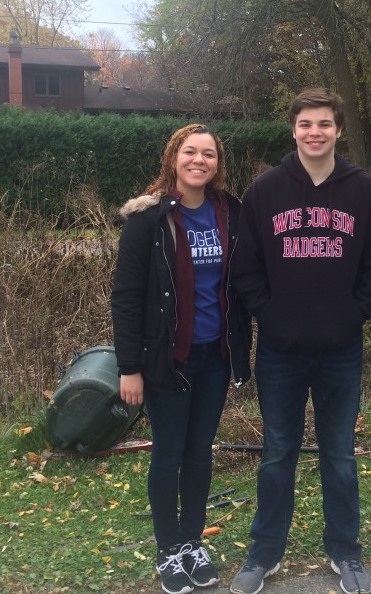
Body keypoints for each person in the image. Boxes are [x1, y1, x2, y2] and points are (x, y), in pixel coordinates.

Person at [229, 88, 371, 594]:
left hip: (340, 349)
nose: (314, 133)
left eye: (324, 124)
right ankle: (265, 553)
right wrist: (270, 315)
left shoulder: (363, 191)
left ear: (339, 130)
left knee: (339, 453)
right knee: (278, 451)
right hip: (280, 350)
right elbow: (247, 267)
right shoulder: (266, 190)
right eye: (305, 124)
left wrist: (351, 315)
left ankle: (346, 553)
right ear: (293, 130)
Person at [112, 123, 252, 594]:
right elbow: (126, 297)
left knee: (199, 453)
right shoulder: (147, 219)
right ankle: (167, 549)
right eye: (190, 152)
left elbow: (244, 282)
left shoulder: (230, 211)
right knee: (168, 455)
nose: (199, 161)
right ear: (174, 158)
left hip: (215, 356)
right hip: (166, 360)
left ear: (217, 163)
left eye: (208, 154)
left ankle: (192, 542)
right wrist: (128, 367)